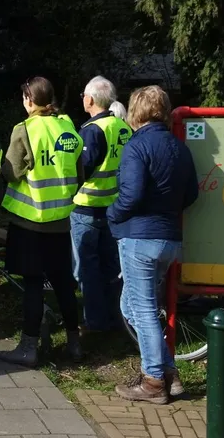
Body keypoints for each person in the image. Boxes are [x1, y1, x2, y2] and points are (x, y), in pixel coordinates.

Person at [110, 86, 197, 404]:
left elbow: (130, 196)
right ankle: (169, 373)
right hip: (169, 239)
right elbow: (192, 195)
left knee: (143, 311)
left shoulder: (137, 146)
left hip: (139, 239)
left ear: (135, 111)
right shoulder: (179, 147)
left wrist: (112, 213)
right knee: (131, 307)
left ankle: (153, 382)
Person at [0, 77, 85, 367]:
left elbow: (10, 172)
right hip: (61, 220)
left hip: (31, 221)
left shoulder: (24, 130)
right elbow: (79, 173)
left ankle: (29, 347)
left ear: (29, 99)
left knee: (34, 285)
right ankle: (75, 343)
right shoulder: (68, 127)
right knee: (63, 284)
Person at [70, 76, 132, 333]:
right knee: (112, 267)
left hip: (87, 206)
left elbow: (83, 168)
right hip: (115, 207)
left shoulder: (92, 130)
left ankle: (94, 322)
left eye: (84, 94)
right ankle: (116, 319)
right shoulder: (123, 127)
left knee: (87, 269)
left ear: (91, 99)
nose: (83, 98)